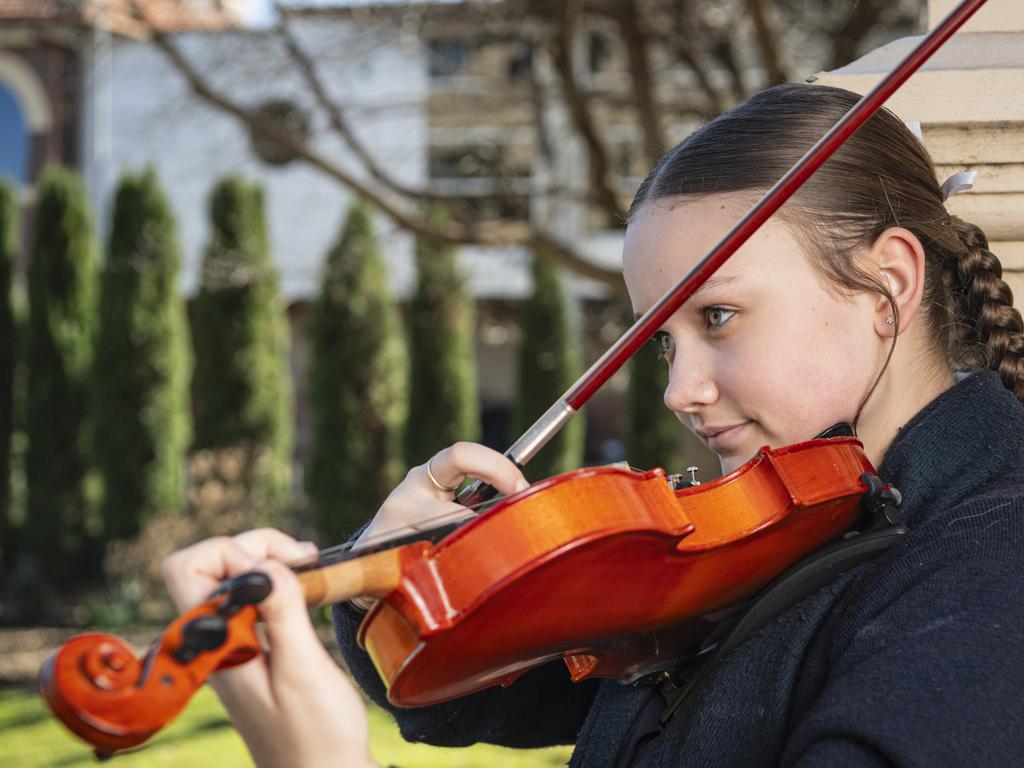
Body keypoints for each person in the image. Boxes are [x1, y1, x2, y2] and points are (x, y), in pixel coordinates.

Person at [163, 84, 1024, 767]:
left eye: (718, 318)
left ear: (888, 288)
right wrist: (403, 583)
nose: (680, 390)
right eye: (661, 344)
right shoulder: (777, 531)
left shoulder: (991, 568)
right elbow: (471, 693)